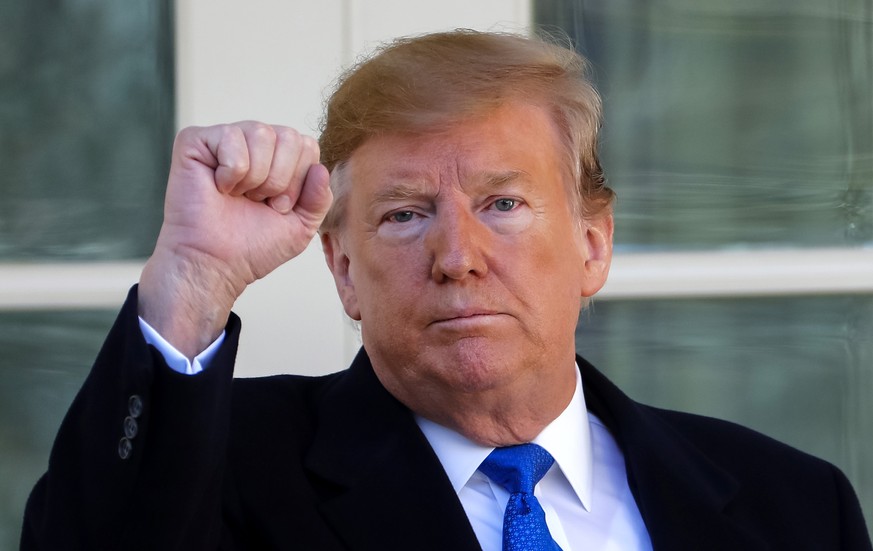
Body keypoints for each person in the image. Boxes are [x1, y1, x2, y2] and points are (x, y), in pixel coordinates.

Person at [21, 30, 871, 551]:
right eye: (402, 215)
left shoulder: (791, 504)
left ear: (591, 245)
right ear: (343, 270)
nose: (456, 256)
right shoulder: (226, 469)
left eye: (502, 204)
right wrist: (192, 279)